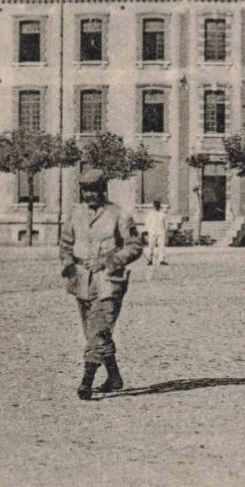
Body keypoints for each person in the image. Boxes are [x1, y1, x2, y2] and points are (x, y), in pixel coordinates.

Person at [59, 168, 143, 400]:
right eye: (85, 191)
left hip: (109, 283)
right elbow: (65, 244)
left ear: (103, 190)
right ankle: (114, 378)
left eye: (94, 191)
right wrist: (67, 263)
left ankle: (86, 383)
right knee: (95, 333)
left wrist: (108, 261)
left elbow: (134, 246)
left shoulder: (119, 215)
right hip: (82, 283)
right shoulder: (75, 214)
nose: (89, 196)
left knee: (97, 331)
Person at [144, 200, 169, 267]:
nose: (156, 207)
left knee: (161, 247)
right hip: (153, 232)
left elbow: (166, 224)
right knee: (151, 247)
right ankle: (150, 260)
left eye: (157, 206)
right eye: (155, 206)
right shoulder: (151, 214)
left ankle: (161, 260)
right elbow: (147, 223)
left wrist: (165, 231)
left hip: (160, 232)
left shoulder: (163, 214)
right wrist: (147, 231)